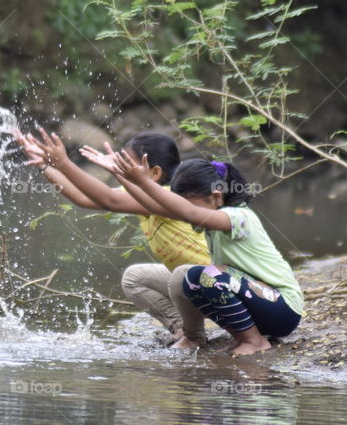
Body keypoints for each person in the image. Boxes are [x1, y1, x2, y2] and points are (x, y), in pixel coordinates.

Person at [13, 129, 210, 345]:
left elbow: (110, 200)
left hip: (212, 281)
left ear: (154, 173)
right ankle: (182, 329)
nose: (119, 169)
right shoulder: (143, 194)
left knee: (172, 275)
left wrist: (64, 163)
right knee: (135, 277)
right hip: (191, 280)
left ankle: (195, 336)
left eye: (126, 164)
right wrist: (45, 165)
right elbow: (82, 198)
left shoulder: (168, 196)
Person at [105, 151, 303, 356]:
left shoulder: (239, 217)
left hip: (283, 310)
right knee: (191, 277)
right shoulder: (209, 221)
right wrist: (125, 178)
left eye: (189, 204)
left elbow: (186, 212)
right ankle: (242, 336)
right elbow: (158, 205)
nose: (182, 212)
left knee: (210, 275)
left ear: (217, 196)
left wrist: (145, 182)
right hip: (260, 309)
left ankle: (254, 341)